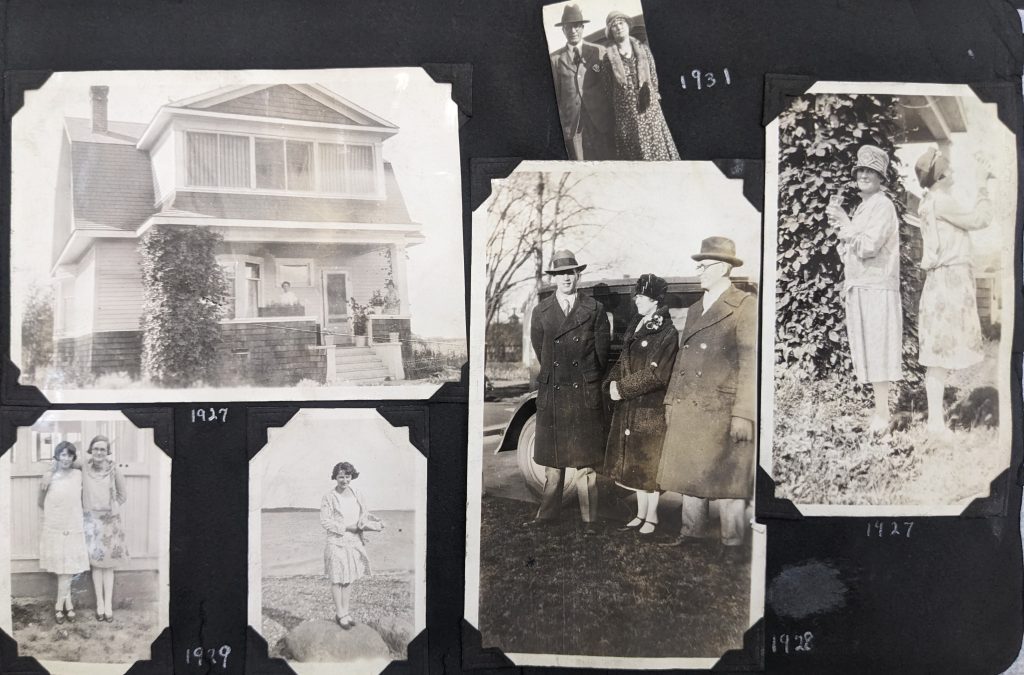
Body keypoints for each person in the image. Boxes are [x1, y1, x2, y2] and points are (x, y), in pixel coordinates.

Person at [657, 237, 756, 560]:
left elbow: (750, 362)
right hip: (691, 404)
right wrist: (671, 401)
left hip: (723, 408)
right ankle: (692, 533)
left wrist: (744, 413)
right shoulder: (696, 307)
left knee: (729, 479)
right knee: (691, 472)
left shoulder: (743, 305)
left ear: (724, 267)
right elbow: (683, 360)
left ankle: (732, 542)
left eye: (704, 264)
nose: (698, 269)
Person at [526, 249, 611, 535]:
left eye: (570, 273)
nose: (566, 278)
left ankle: (590, 520)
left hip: (582, 392)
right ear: (554, 278)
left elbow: (601, 353)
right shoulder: (541, 311)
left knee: (585, 464)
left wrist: (585, 379)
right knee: (553, 460)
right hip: (555, 391)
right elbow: (541, 350)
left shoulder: (595, 309)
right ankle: (548, 513)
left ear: (578, 276)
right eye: (560, 274)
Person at [914, 147, 995, 437]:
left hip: (942, 282)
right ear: (942, 174)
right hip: (948, 283)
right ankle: (935, 424)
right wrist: (983, 184)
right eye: (949, 167)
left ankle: (936, 422)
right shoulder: (941, 201)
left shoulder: (930, 201)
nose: (954, 171)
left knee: (938, 355)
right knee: (938, 357)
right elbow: (979, 219)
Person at [825, 145, 903, 432]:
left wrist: (845, 225)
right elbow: (851, 249)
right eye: (861, 170)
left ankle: (883, 416)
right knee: (868, 349)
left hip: (877, 286)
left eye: (872, 171)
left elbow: (869, 247)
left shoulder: (883, 206)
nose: (865, 175)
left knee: (878, 348)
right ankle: (879, 412)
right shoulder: (863, 208)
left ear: (881, 177)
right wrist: (843, 230)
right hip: (860, 284)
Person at [602, 274, 678, 537]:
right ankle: (640, 514)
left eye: (641, 296)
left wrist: (621, 389)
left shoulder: (666, 331)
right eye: (636, 296)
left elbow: (657, 374)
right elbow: (623, 361)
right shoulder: (638, 323)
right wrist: (610, 383)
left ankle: (652, 517)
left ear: (655, 300)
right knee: (635, 463)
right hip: (631, 406)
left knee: (648, 465)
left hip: (649, 407)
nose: (636, 300)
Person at [604, 11, 680, 161]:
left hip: (649, 108)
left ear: (627, 25)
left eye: (621, 23)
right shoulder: (608, 58)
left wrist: (654, 95)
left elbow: (653, 75)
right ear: (610, 31)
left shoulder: (643, 49)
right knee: (635, 151)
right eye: (614, 25)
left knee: (657, 144)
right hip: (626, 113)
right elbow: (607, 86)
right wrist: (621, 102)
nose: (619, 27)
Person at [320, 461, 384, 629]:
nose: (344, 480)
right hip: (336, 541)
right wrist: (346, 527)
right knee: (337, 578)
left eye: (347, 476)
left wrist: (372, 522)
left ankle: (346, 612)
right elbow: (325, 521)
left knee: (349, 578)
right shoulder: (329, 496)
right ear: (335, 477)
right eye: (341, 476)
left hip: (354, 541)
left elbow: (364, 513)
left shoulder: (357, 493)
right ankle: (339, 613)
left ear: (352, 476)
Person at [549, 3, 615, 160]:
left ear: (582, 28)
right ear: (563, 30)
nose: (573, 31)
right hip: (574, 128)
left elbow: (609, 87)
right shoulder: (556, 61)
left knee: (609, 163)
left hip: (601, 123)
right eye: (568, 27)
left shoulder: (598, 51)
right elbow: (557, 98)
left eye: (577, 26)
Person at [37, 441, 90, 624]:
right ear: (57, 456)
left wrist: (54, 467)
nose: (66, 458)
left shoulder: (78, 474)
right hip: (56, 527)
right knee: (63, 570)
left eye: (69, 455)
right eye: (62, 455)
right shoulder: (49, 477)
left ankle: (60, 607)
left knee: (67, 570)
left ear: (73, 457)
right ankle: (67, 607)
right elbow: (40, 502)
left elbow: (85, 463)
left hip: (74, 525)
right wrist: (50, 472)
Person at [80, 435, 128, 622]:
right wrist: (49, 473)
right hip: (91, 521)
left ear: (107, 452)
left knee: (109, 566)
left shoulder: (114, 470)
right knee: (96, 565)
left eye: (102, 449)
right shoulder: (84, 467)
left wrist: (115, 505)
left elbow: (123, 495)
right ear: (90, 450)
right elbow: (61, 462)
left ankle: (108, 605)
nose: (99, 452)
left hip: (109, 523)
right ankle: (99, 604)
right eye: (95, 449)